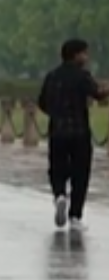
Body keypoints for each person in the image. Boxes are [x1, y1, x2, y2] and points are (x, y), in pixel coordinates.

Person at [38, 38, 108, 230]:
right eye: (85, 53)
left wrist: (56, 112)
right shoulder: (82, 76)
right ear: (76, 55)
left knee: (57, 168)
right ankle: (75, 216)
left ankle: (60, 195)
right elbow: (98, 94)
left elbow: (42, 102)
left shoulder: (52, 76)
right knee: (80, 173)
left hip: (57, 131)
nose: (87, 57)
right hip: (79, 132)